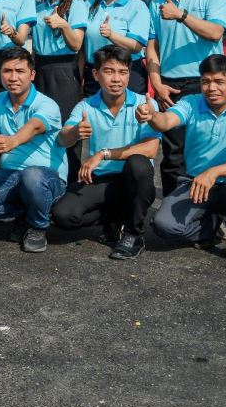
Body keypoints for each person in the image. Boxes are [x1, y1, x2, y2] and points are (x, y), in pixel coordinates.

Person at [141, 54, 226, 266]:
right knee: (163, 226)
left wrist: (213, 172)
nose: (211, 88)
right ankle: (209, 227)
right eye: (206, 82)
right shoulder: (191, 103)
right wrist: (153, 117)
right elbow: (166, 121)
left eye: (219, 82)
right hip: (195, 183)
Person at [50, 46, 160, 260]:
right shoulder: (86, 106)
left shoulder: (144, 104)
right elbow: (63, 139)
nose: (116, 79)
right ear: (95, 74)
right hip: (102, 179)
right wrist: (75, 131)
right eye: (109, 71)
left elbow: (151, 149)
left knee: (138, 163)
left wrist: (103, 153)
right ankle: (114, 219)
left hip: (133, 180)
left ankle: (134, 234)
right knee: (62, 215)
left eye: (123, 72)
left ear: (129, 74)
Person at [146, 0, 226, 196]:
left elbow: (215, 32)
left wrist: (180, 15)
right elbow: (152, 46)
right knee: (173, 153)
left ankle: (211, 207)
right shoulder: (157, 3)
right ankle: (173, 206)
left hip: (207, 82)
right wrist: (157, 83)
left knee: (209, 146)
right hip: (170, 85)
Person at [0, 47, 64, 253]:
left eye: (20, 71)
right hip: (11, 174)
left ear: (32, 74)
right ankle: (28, 212)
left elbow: (35, 126)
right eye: (7, 71)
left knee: (32, 177)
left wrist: (13, 141)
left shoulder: (46, 104)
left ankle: (38, 226)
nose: (13, 77)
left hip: (46, 177)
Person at [31, 0, 89, 177]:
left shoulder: (77, 5)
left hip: (64, 70)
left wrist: (63, 25)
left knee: (66, 127)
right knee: (41, 127)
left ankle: (71, 179)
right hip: (40, 69)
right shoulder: (39, 6)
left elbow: (76, 44)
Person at [83, 0, 151, 94]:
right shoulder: (89, 5)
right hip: (94, 75)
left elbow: (136, 46)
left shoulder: (137, 6)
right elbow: (83, 47)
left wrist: (111, 35)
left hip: (126, 73)